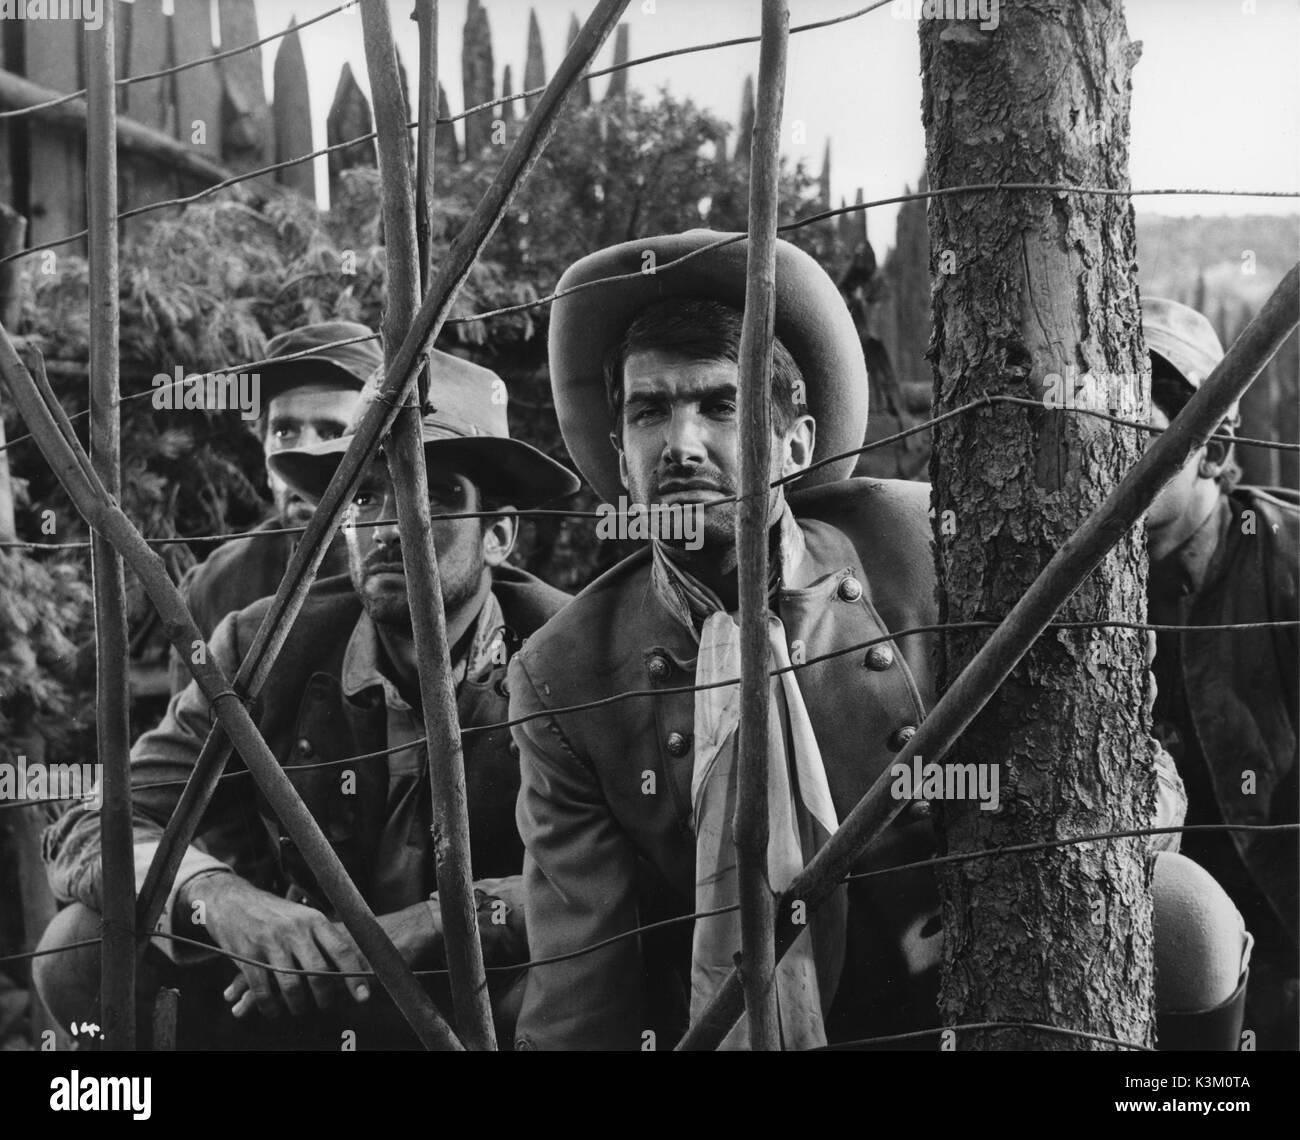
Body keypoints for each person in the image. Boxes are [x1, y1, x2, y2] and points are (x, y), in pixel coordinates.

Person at [508, 230, 1252, 1051]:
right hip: (741, 1023)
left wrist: (1007, 864)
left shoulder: (919, 538)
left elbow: (1117, 753)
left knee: (1186, 915)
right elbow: (582, 979)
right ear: (620, 455)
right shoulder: (565, 676)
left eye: (721, 404)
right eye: (649, 412)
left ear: (797, 443)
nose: (680, 445)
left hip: (977, 979)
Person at [37, 352, 579, 1048]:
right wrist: (219, 899)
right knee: (77, 950)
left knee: (582, 977)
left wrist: (458, 916)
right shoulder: (267, 646)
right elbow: (96, 821)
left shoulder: (568, 655)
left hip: (483, 1001)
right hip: (318, 990)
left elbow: (637, 874)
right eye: (363, 496)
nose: (387, 527)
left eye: (436, 495)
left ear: (499, 534)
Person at [1143, 296, 1299, 1050]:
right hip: (1173, 992)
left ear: (1211, 448)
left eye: (1134, 437)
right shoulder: (1072, 595)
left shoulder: (1287, 565)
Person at [167, 321, 380, 695]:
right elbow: (192, 742)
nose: (302, 454)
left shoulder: (418, 572)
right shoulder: (214, 586)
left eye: (333, 434)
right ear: (263, 448)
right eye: (284, 432)